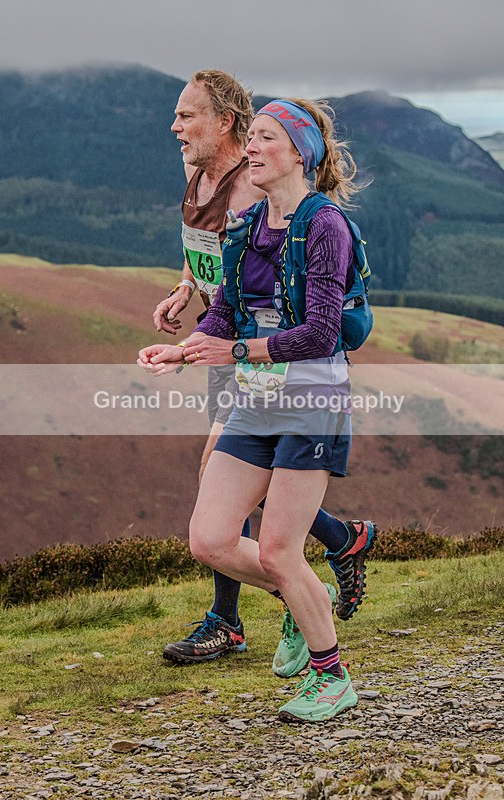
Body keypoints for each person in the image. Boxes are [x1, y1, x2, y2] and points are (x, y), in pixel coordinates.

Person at [150, 73, 376, 682]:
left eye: (187, 116)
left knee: (253, 512)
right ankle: (329, 555)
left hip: (294, 380)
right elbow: (219, 280)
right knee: (224, 513)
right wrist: (190, 322)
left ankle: (259, 617)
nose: (176, 128)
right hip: (245, 367)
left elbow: (316, 331)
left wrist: (232, 348)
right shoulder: (216, 196)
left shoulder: (298, 213)